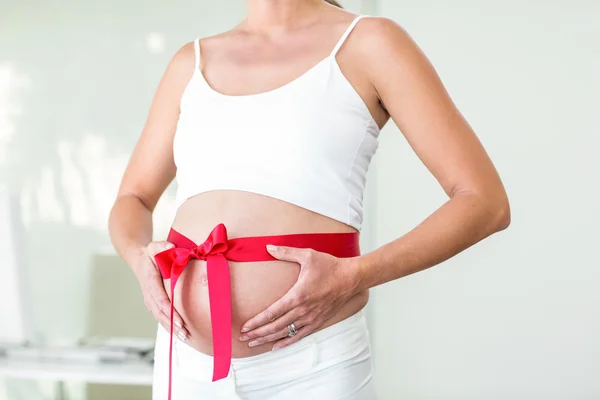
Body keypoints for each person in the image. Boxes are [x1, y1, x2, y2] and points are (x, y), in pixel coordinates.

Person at [108, 0, 511, 398]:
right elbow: (133, 197)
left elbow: (484, 202)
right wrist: (138, 258)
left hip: (311, 369)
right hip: (185, 368)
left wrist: (355, 275)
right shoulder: (191, 61)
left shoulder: (370, 43)